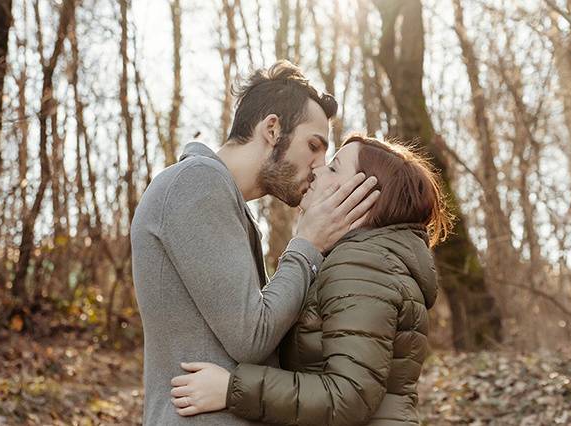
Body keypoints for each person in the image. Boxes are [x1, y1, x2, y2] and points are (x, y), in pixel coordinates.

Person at [130, 62, 380, 426]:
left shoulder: (224, 202)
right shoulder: (195, 184)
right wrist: (307, 242)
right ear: (273, 129)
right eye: (314, 146)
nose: (319, 166)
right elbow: (252, 336)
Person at [169, 134, 455, 425]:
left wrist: (233, 388)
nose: (317, 170)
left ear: (365, 197)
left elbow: (349, 395)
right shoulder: (368, 261)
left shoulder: (362, 266)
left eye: (333, 168)